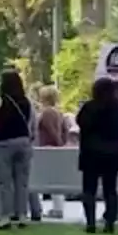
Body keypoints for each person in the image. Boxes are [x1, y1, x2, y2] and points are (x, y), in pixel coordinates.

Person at [76, 77, 118, 234]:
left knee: (89, 189)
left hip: (91, 152)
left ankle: (90, 222)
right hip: (113, 152)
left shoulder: (89, 107)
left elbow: (81, 123)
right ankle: (110, 222)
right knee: (110, 189)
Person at [0, 69, 35, 229]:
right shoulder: (26, 102)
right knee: (22, 182)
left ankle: (6, 216)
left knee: (5, 183)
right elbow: (30, 122)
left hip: (3, 144)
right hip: (23, 142)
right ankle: (22, 215)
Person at [36, 85, 69, 219]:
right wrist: (63, 142)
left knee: (47, 179)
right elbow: (65, 130)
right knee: (57, 179)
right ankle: (58, 207)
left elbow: (51, 130)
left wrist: (57, 142)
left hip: (48, 148)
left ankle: (56, 209)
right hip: (57, 147)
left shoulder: (47, 113)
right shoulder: (59, 113)